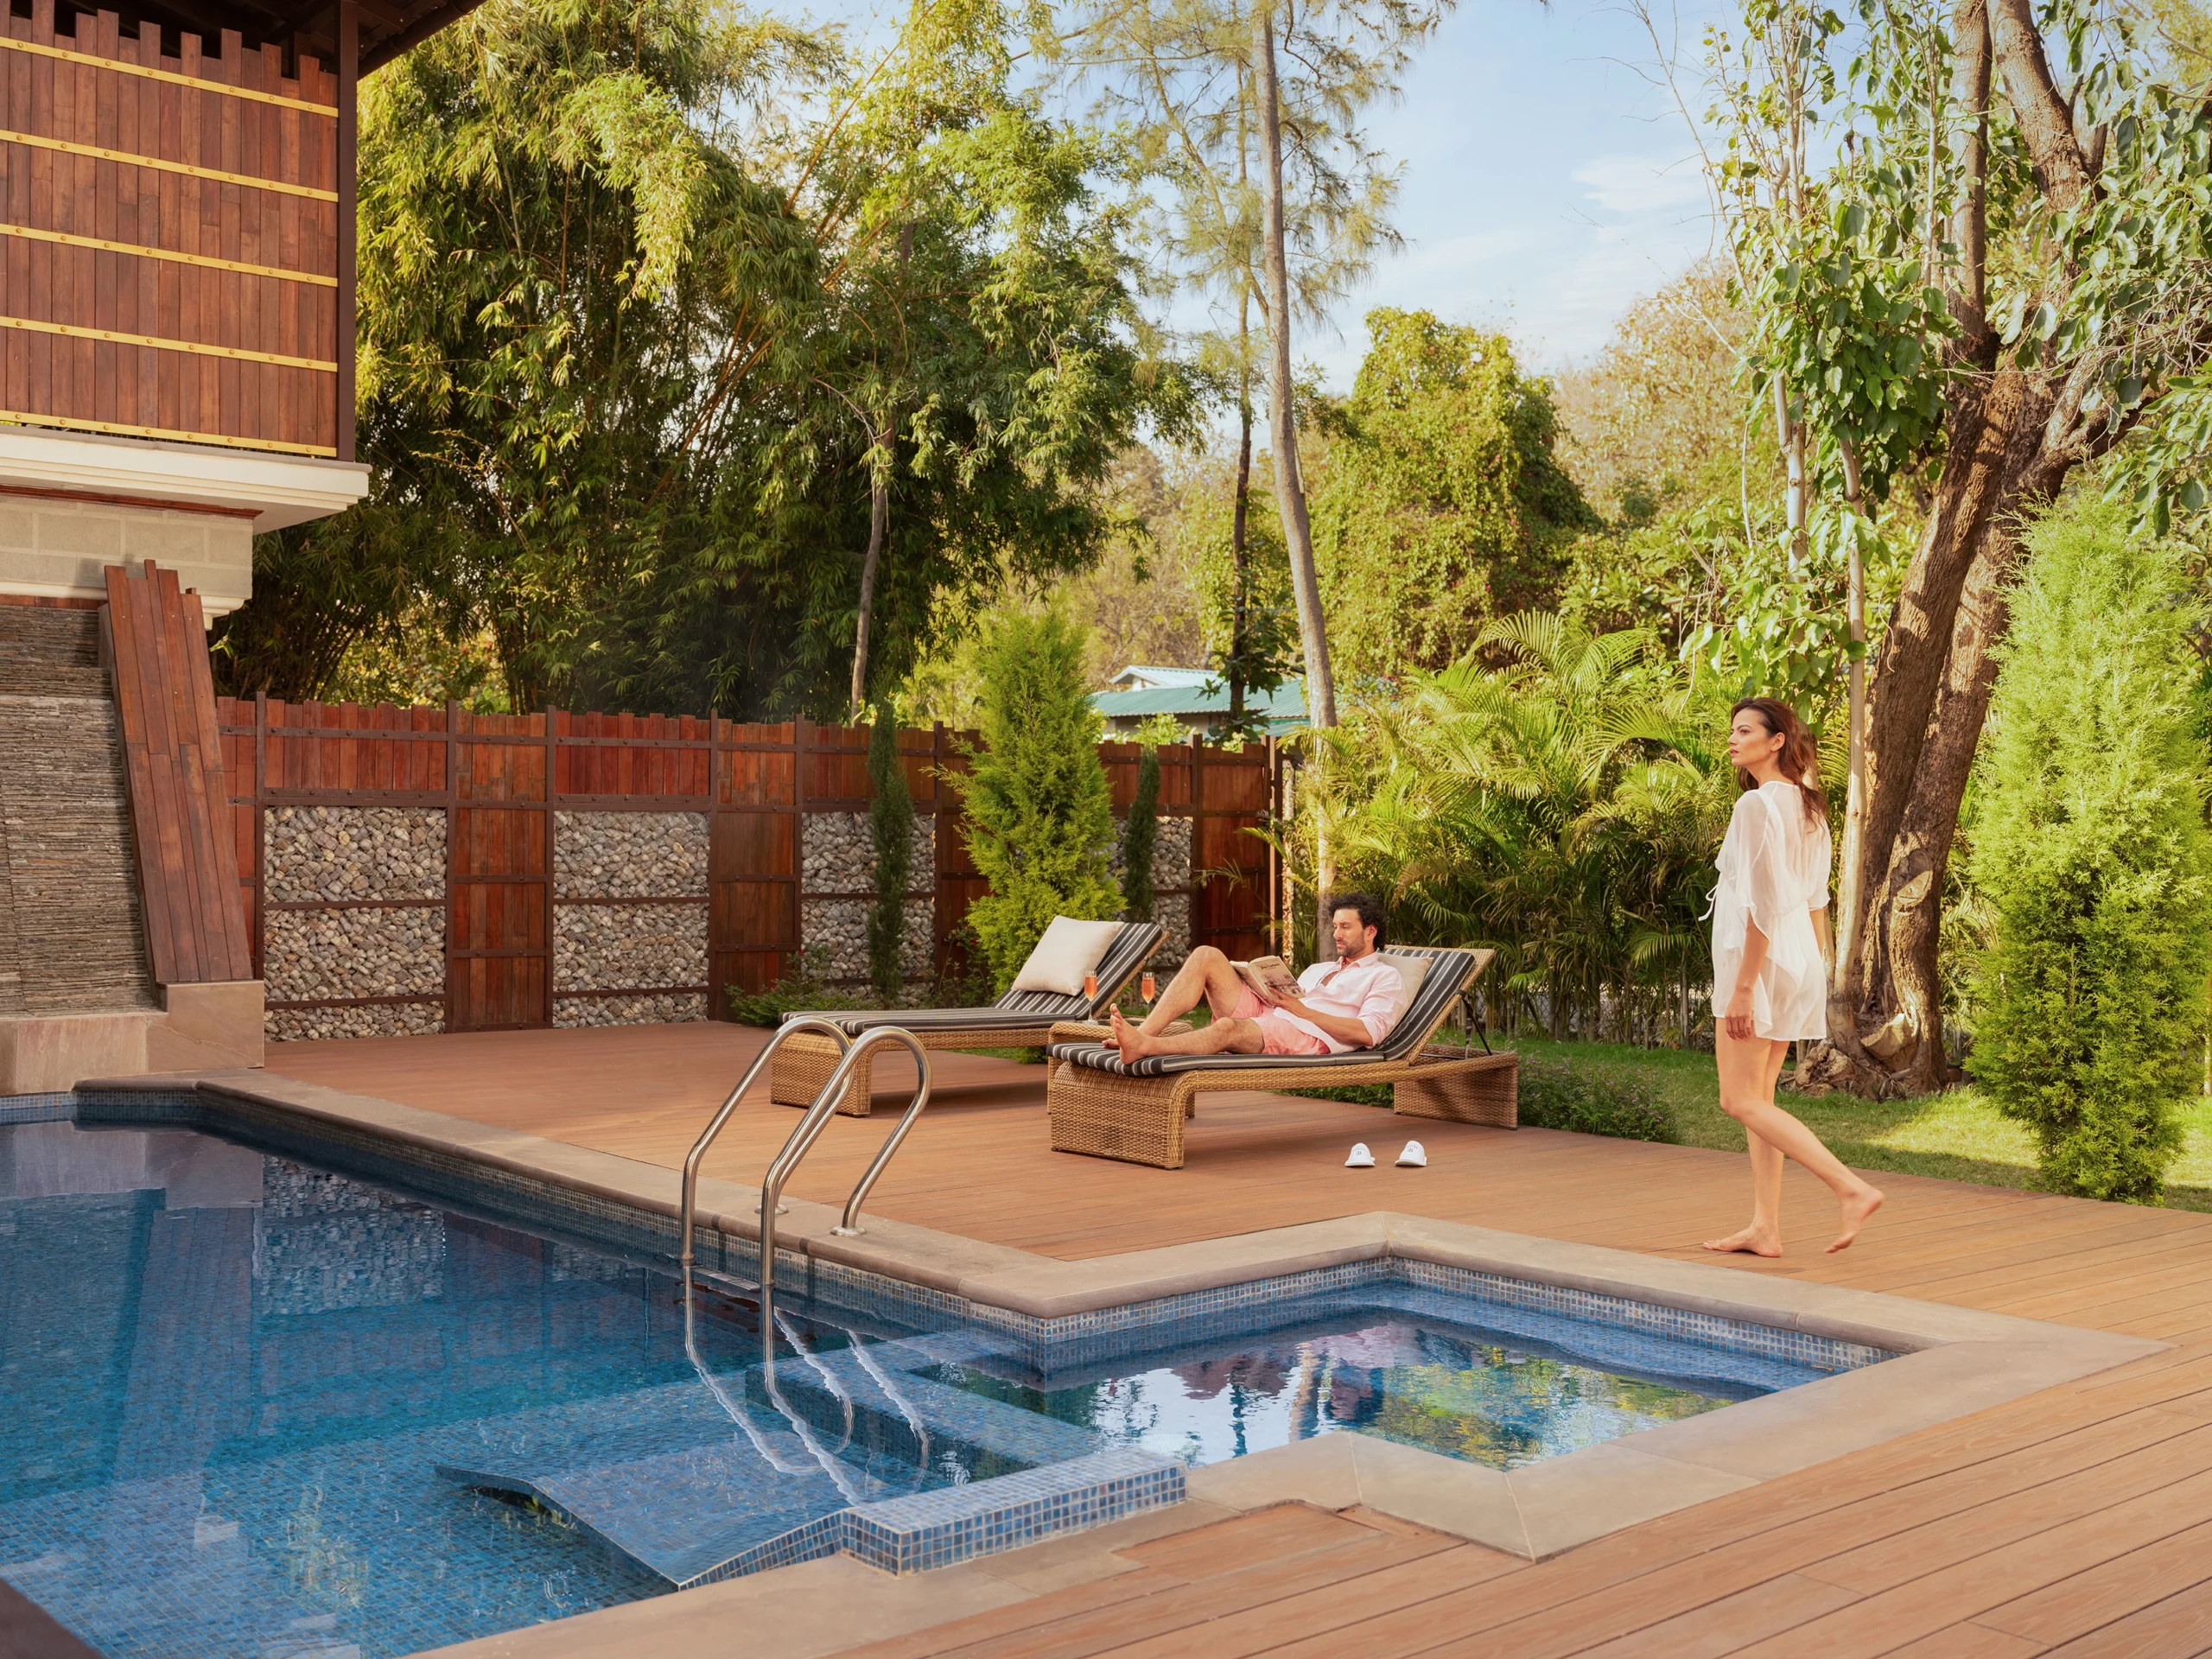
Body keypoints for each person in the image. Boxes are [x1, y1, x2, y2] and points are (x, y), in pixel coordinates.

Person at [1702, 697, 1885, 1256]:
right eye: (1732, 730)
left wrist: (1742, 988)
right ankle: (1766, 1227)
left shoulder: (1756, 806)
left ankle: (1849, 1188)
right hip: (1793, 961)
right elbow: (1815, 902)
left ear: (1776, 740)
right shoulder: (1809, 808)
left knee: (1738, 1099)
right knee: (1760, 1100)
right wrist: (1814, 971)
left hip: (1758, 966)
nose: (1733, 739)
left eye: (1745, 730)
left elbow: (1760, 907)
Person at [1109, 893, 1405, 1062]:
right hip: (1273, 1013)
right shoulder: (1320, 968)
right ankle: (1142, 1034)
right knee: (1206, 955)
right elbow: (1291, 1002)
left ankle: (1146, 1047)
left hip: (1307, 1035)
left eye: (1346, 927)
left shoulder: (1384, 976)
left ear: (1370, 931)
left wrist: (1302, 1012)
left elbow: (1367, 1033)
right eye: (1336, 926)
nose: (1337, 934)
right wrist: (1264, 989)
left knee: (1227, 1028)